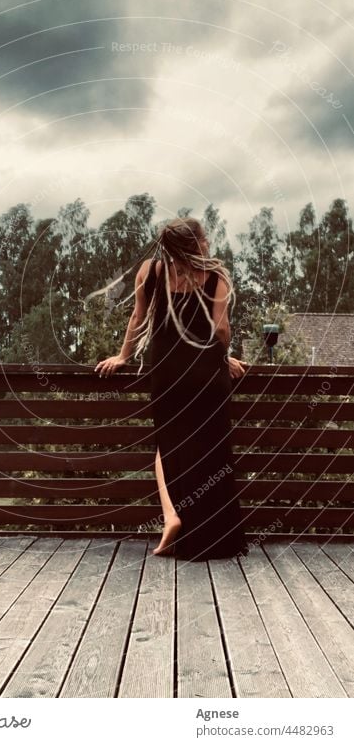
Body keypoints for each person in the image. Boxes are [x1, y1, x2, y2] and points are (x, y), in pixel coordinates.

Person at [93, 217, 250, 561]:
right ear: (195, 243)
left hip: (166, 371)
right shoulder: (216, 276)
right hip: (208, 374)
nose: (208, 243)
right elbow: (220, 331)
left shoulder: (150, 272)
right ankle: (215, 538)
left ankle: (172, 517)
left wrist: (123, 356)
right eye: (204, 238)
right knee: (211, 451)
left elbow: (137, 318)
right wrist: (223, 359)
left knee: (167, 446)